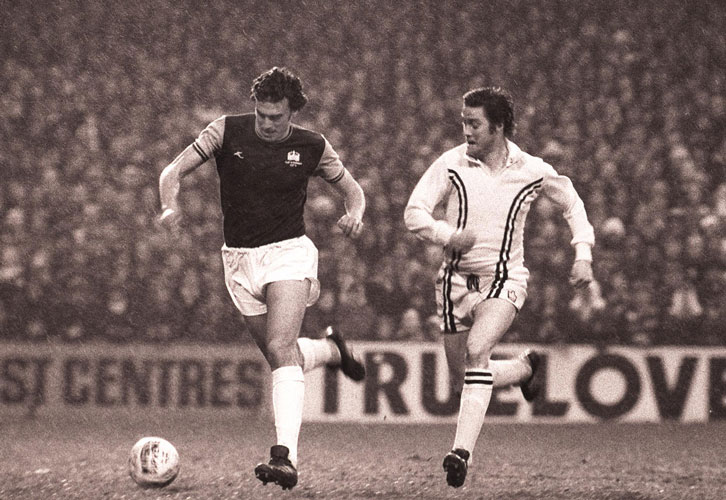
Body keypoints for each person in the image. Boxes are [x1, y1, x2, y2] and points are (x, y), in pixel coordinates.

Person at [158, 67, 366, 490]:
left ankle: (284, 457)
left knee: (278, 345)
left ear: (292, 112)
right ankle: (329, 351)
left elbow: (353, 190)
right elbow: (172, 172)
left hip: (289, 253)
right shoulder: (226, 131)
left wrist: (355, 214)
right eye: (262, 114)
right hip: (238, 261)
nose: (267, 123)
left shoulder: (313, 146)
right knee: (281, 356)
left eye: (276, 116)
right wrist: (168, 206)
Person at [404, 86, 595, 488]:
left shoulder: (531, 170)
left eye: (474, 124)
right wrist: (445, 234)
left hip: (504, 280)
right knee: (465, 375)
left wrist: (583, 253)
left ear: (499, 127)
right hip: (454, 283)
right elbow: (413, 212)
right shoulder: (451, 164)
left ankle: (460, 454)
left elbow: (572, 203)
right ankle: (525, 369)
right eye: (463, 122)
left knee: (477, 350)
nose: (466, 131)